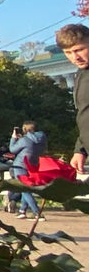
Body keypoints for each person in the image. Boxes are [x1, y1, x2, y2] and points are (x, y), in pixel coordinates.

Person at [57, 23, 89, 175]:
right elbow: (84, 115)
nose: (75, 57)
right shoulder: (80, 74)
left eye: (79, 50)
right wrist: (80, 150)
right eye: (68, 52)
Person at [8, 121, 47, 219]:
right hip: (34, 165)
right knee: (27, 187)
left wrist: (13, 138)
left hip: (20, 165)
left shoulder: (24, 140)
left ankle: (36, 212)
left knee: (24, 188)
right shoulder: (42, 138)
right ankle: (22, 210)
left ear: (25, 129)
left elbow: (12, 149)